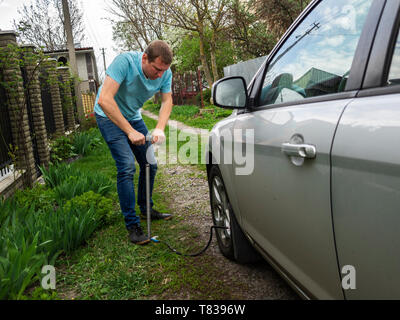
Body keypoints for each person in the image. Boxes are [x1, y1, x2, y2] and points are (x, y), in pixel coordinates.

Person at [94, 40, 173, 245]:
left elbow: (167, 100)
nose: (159, 76)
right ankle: (133, 225)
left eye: (163, 71)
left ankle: (146, 209)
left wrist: (160, 128)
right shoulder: (125, 62)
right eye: (156, 70)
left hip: (132, 115)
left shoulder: (164, 72)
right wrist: (129, 131)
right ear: (144, 58)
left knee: (150, 164)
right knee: (127, 166)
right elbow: (104, 99)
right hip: (107, 115)